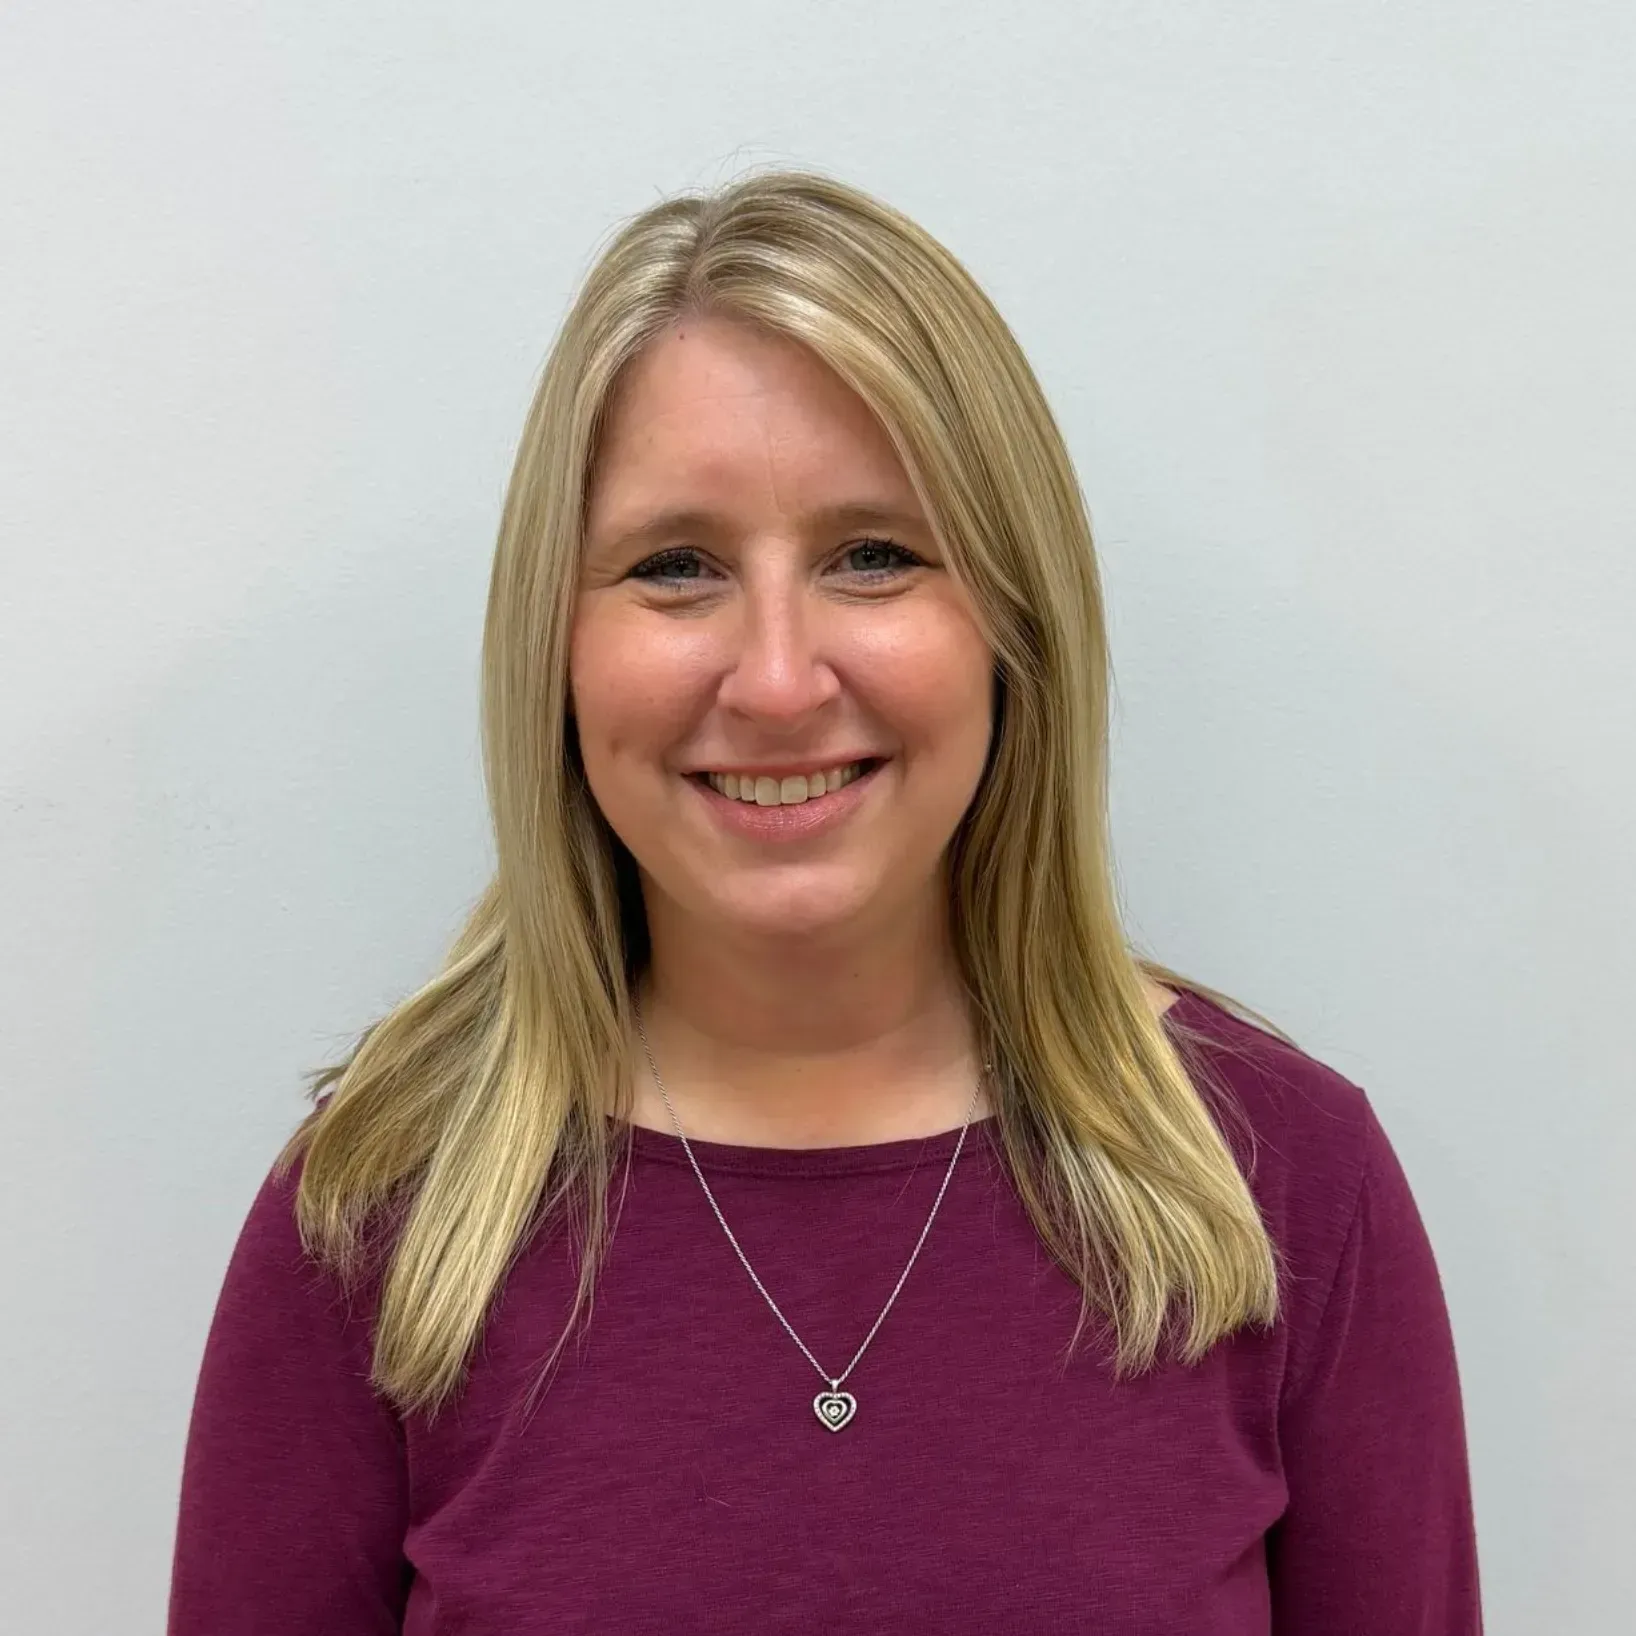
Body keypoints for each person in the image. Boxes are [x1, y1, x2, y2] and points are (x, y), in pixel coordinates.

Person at [167, 168, 1482, 1634]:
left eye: (875, 556)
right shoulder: (373, 1216)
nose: (779, 678)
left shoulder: (1286, 1186)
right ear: (556, 644)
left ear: (1012, 623)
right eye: (676, 567)